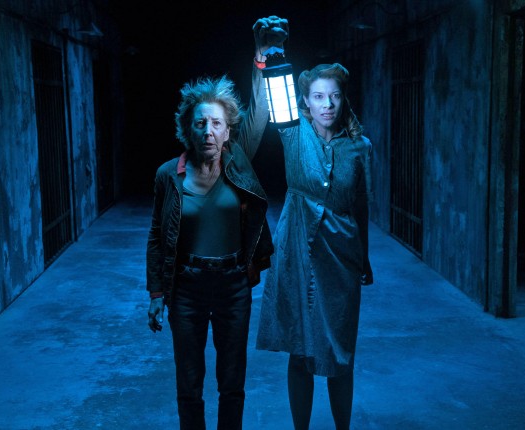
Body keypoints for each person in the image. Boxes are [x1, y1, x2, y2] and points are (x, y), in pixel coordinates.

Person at [145, 17, 288, 429]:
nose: (208, 131)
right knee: (189, 385)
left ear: (228, 133)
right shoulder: (168, 175)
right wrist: (156, 292)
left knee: (232, 383)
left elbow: (259, 113)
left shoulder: (237, 162)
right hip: (186, 287)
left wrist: (260, 58)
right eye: (200, 123)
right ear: (188, 129)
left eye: (217, 124)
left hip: (232, 286)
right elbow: (157, 236)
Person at [255, 17, 374, 430]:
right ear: (306, 101)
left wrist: (365, 258)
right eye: (319, 96)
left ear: (343, 100)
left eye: (334, 96)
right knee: (300, 350)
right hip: (297, 251)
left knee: (341, 353)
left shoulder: (359, 146)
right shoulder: (293, 131)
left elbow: (361, 204)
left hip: (342, 255)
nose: (327, 104)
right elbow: (277, 87)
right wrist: (274, 51)